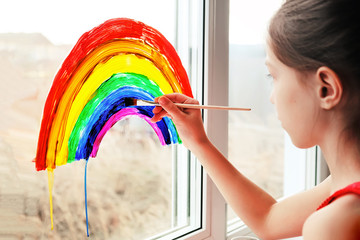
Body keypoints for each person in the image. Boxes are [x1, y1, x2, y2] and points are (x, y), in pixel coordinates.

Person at [151, 0, 360, 239]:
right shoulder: (343, 185)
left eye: (273, 76)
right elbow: (268, 219)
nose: (271, 98)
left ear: (326, 89)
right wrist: (199, 142)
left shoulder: (335, 224)